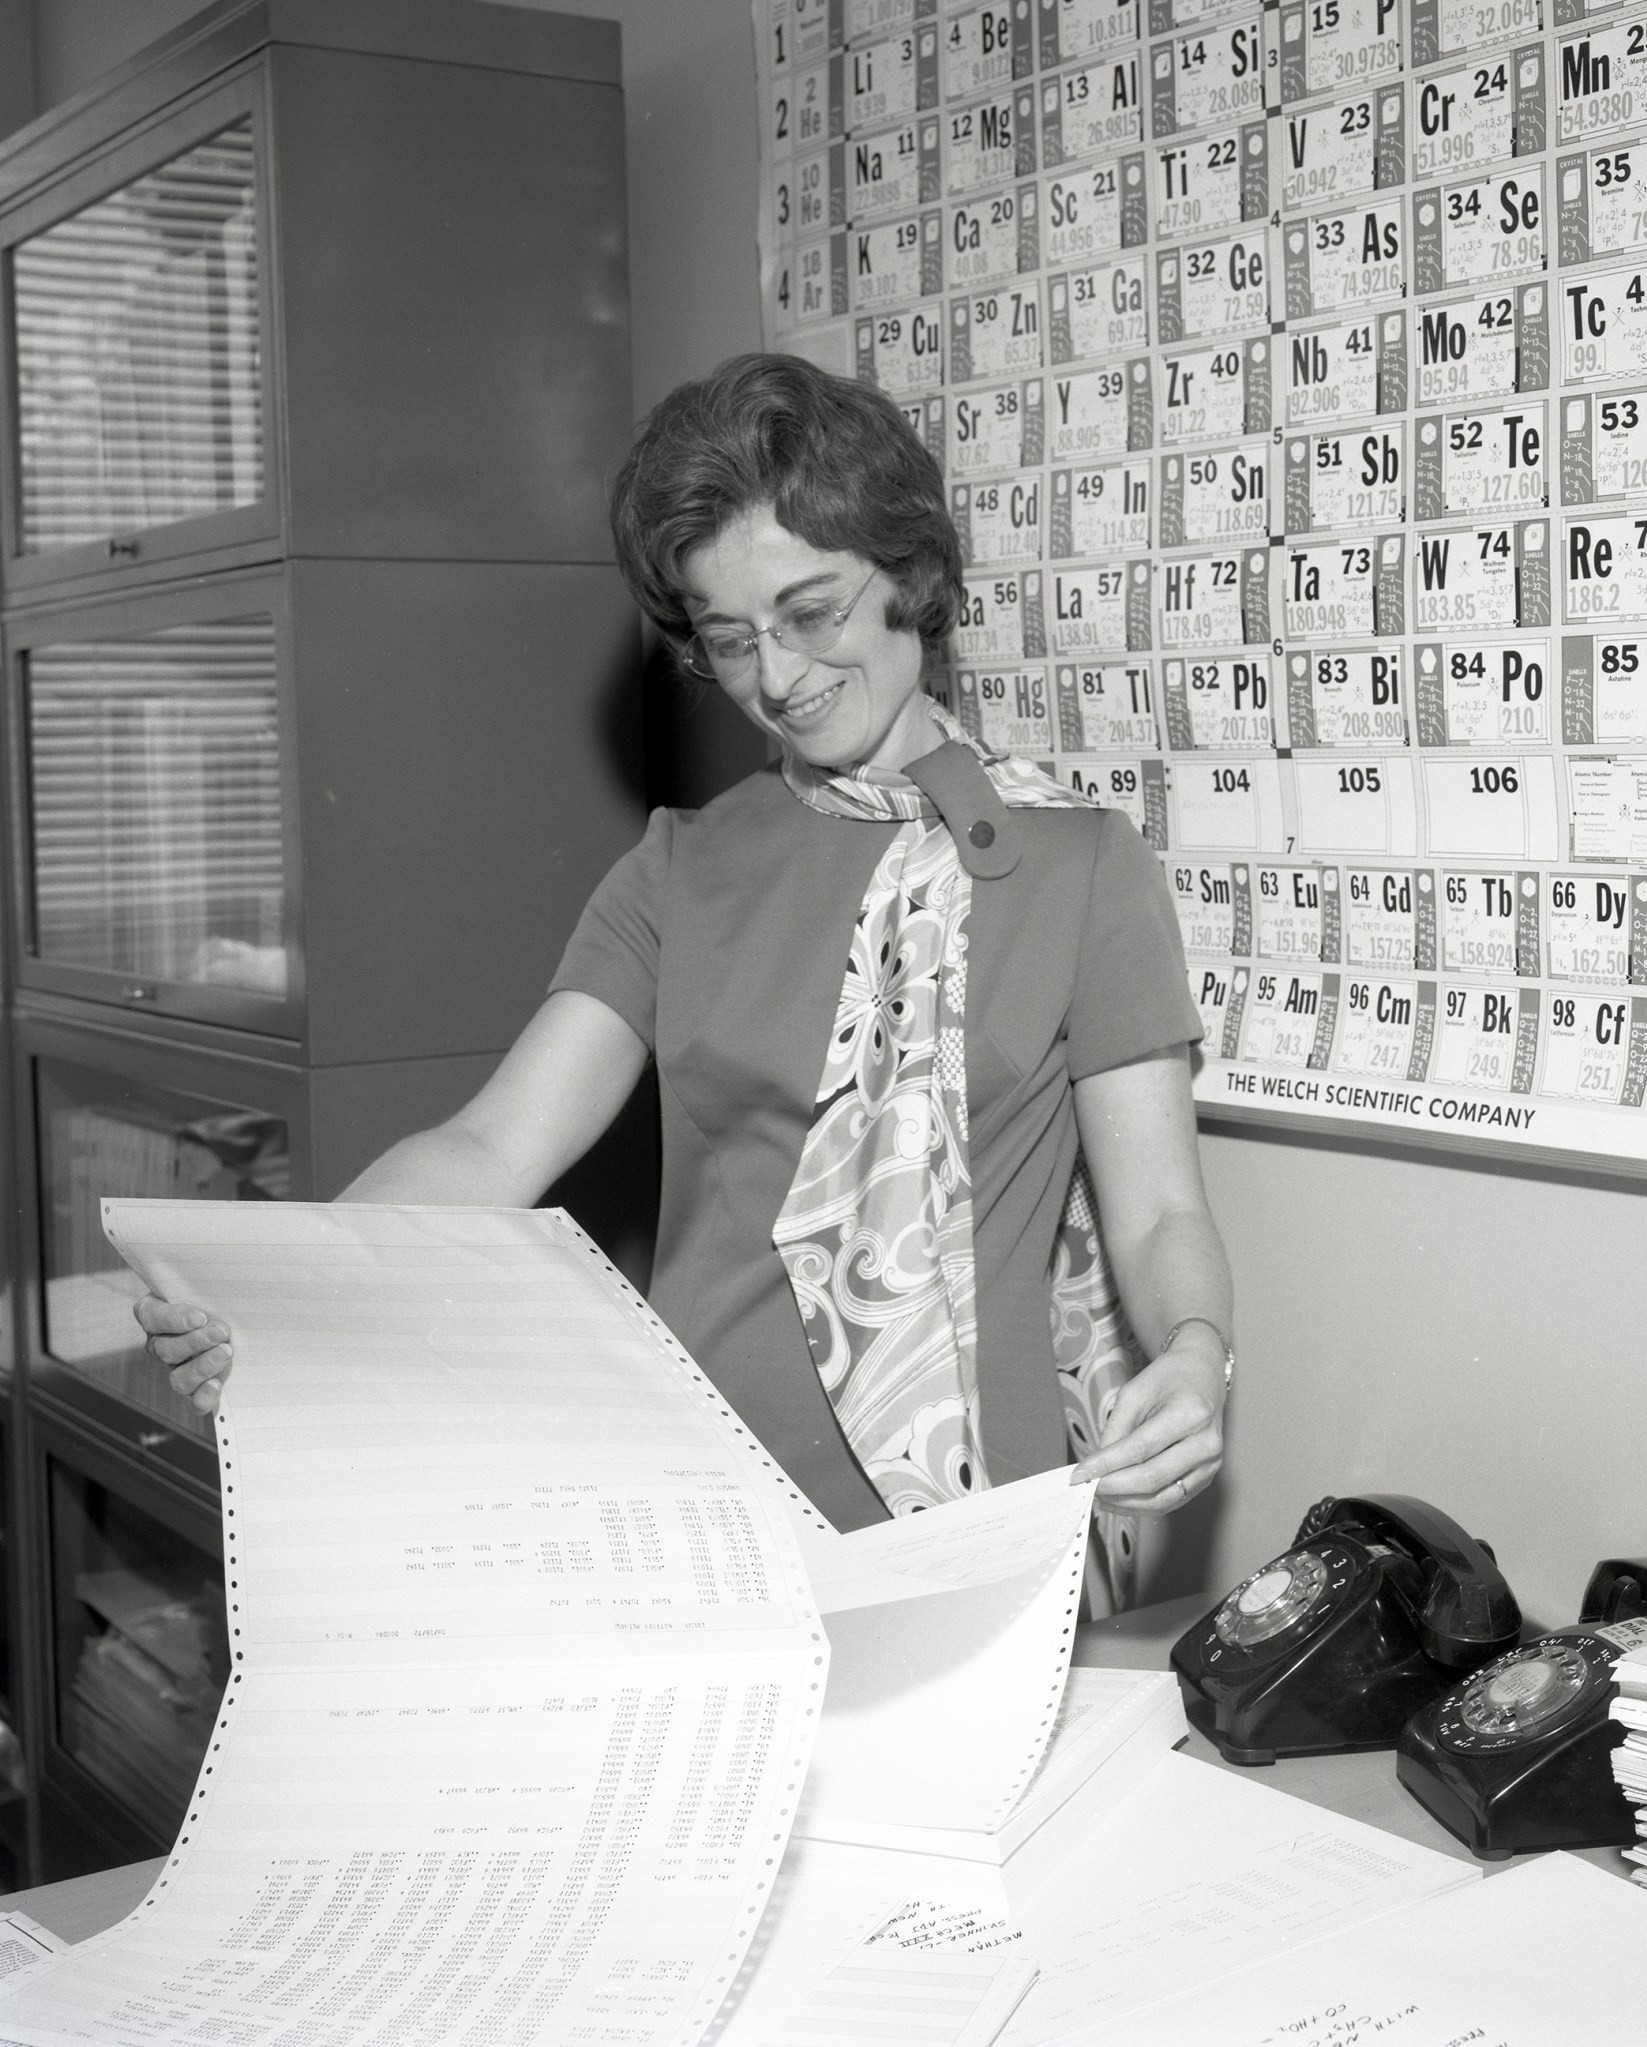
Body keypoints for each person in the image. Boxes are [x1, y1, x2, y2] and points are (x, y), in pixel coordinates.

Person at [138, 354, 1234, 1602]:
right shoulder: (679, 866)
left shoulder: (1082, 868)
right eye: (728, 638)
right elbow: (488, 1149)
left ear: (911, 580)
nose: (775, 676)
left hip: (977, 1537)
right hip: (696, 1519)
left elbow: (1155, 1213)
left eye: (810, 612)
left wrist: (1196, 1356)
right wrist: (294, 1295)